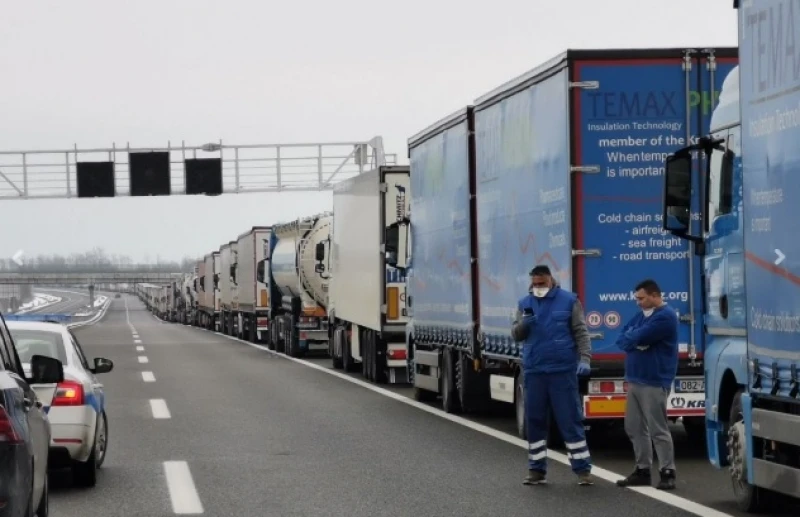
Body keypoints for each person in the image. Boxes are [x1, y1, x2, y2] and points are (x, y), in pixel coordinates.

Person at [511, 265, 593, 486]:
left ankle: (582, 469)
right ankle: (536, 469)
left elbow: (581, 332)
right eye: (535, 284)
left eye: (542, 283)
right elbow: (516, 335)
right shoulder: (524, 303)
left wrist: (584, 359)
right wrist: (523, 325)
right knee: (535, 420)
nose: (538, 288)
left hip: (562, 371)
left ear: (551, 280)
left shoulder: (569, 301)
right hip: (535, 370)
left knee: (570, 419)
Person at [614, 279, 679, 491]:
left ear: (653, 295)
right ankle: (642, 470)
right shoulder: (643, 315)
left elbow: (640, 335)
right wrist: (634, 340)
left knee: (657, 428)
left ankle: (667, 472)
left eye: (641, 298)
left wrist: (635, 339)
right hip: (634, 378)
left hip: (654, 379)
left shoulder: (665, 317)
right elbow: (623, 336)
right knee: (633, 426)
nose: (638, 302)